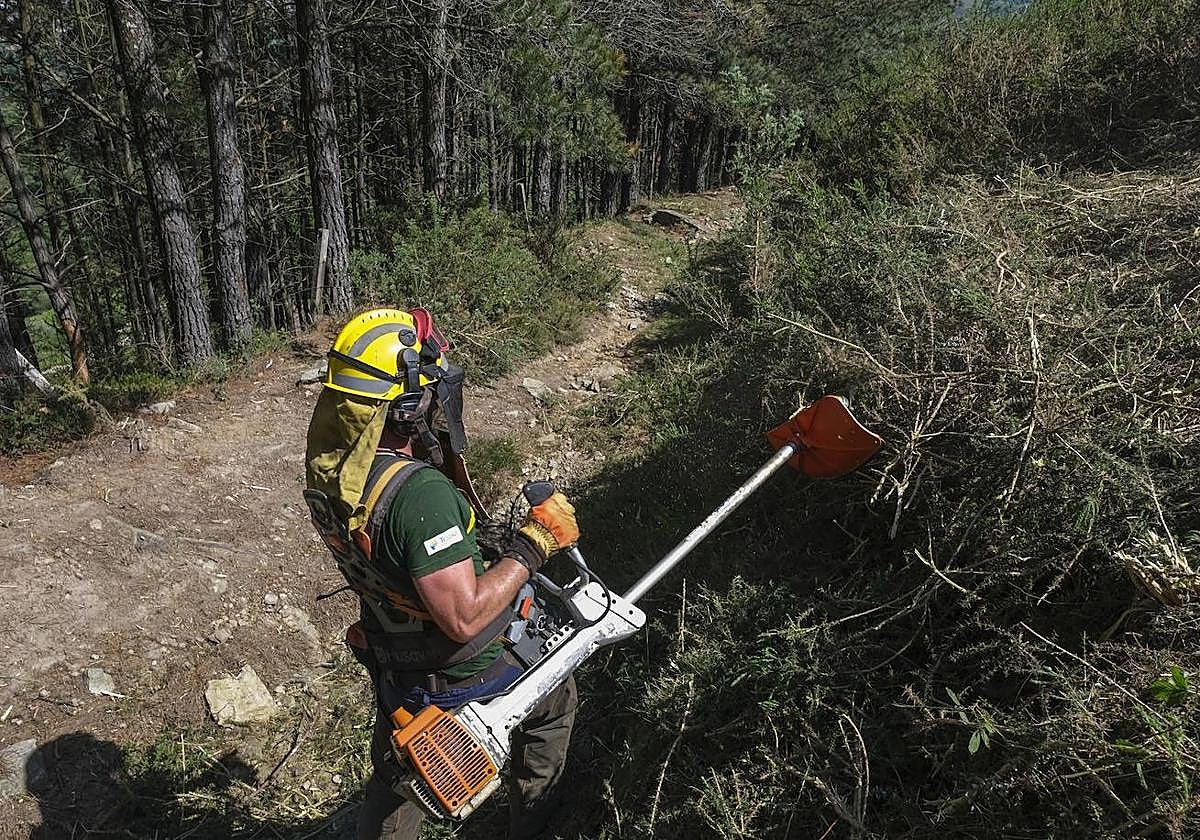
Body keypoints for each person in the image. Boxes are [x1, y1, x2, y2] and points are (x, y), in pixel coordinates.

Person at [303, 308, 579, 840]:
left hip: (399, 666)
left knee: (394, 778)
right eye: (431, 386)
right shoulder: (421, 496)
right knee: (553, 702)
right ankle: (534, 823)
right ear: (408, 403)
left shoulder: (341, 469)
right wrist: (532, 545)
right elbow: (465, 616)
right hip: (459, 672)